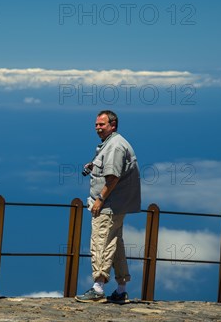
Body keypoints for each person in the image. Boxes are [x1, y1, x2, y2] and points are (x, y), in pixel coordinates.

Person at [75, 110, 141, 304]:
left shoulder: (114, 147)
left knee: (100, 243)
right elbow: (110, 168)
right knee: (115, 245)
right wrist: (93, 166)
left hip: (108, 206)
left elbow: (113, 177)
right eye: (96, 124)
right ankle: (121, 290)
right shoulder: (113, 143)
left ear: (113, 125)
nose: (97, 128)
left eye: (102, 124)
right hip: (117, 206)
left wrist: (100, 200)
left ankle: (98, 288)